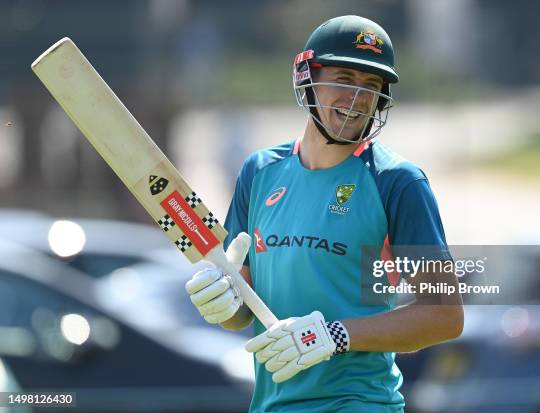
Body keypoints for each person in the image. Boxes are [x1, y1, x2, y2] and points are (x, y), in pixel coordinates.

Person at [185, 15, 463, 412]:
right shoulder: (260, 172)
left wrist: (334, 335)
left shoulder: (397, 182)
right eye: (344, 79)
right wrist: (223, 305)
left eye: (370, 86)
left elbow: (444, 316)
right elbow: (243, 310)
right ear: (307, 77)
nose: (357, 98)